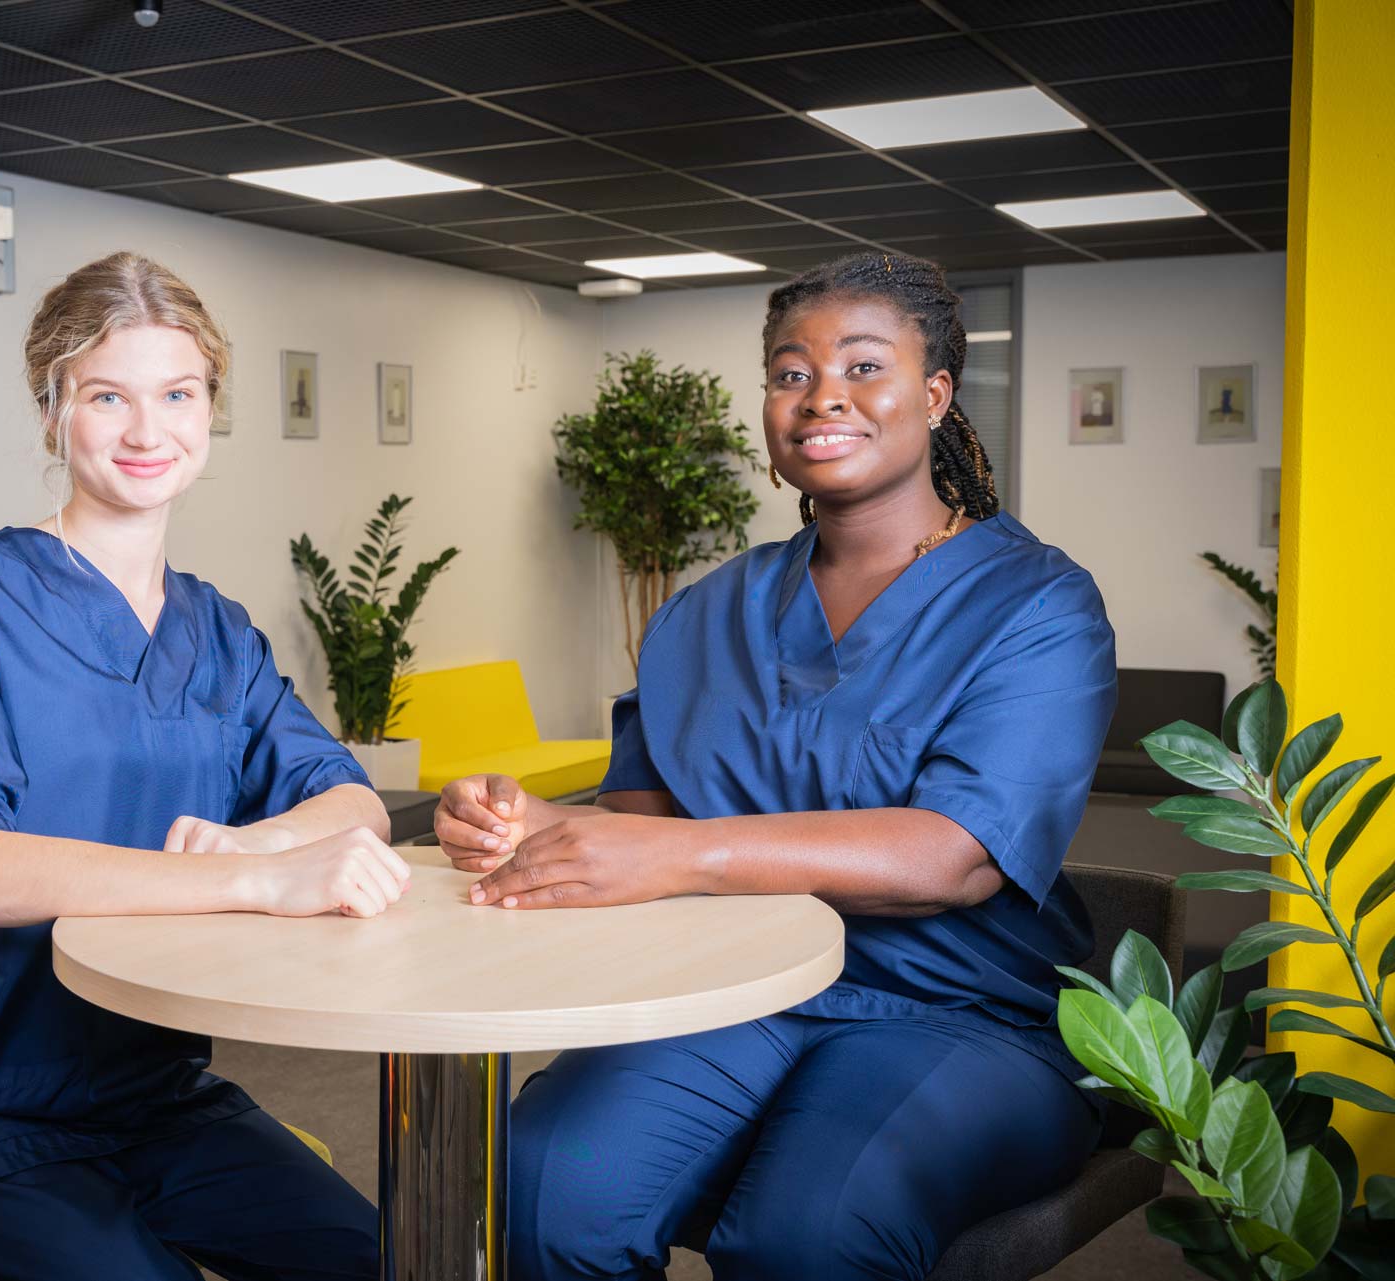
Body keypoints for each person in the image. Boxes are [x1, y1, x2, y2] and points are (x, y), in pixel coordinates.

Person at [436, 252, 1117, 1280]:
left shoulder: (1036, 605)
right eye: (790, 373)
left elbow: (955, 858)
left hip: (960, 1016)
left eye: (862, 366)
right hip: (729, 994)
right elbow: (641, 826)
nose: (821, 397)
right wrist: (529, 821)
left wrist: (680, 858)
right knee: (543, 1177)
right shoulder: (706, 610)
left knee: (811, 1230)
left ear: (934, 395)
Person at [0, 252, 409, 1281]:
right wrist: (252, 879)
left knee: (378, 1262)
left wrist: (258, 837)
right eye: (108, 396)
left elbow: (354, 804)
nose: (148, 432)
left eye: (177, 395)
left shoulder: (219, 634)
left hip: (156, 1097)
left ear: (209, 409)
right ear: (54, 409)